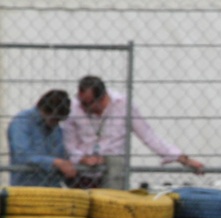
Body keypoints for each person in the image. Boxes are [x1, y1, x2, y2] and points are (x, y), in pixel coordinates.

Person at [63, 75, 204, 189]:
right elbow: (69, 143)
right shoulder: (75, 107)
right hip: (81, 173)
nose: (81, 106)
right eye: (80, 101)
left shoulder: (123, 105)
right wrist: (82, 158)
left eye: (87, 103)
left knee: (116, 165)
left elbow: (148, 135)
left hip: (113, 173)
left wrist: (184, 160)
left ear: (101, 98)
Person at [6, 89, 78, 187]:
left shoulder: (56, 128)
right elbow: (22, 155)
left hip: (52, 190)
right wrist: (55, 162)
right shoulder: (22, 122)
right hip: (26, 189)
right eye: (55, 119)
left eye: (59, 120)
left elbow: (62, 155)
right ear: (44, 110)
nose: (56, 123)